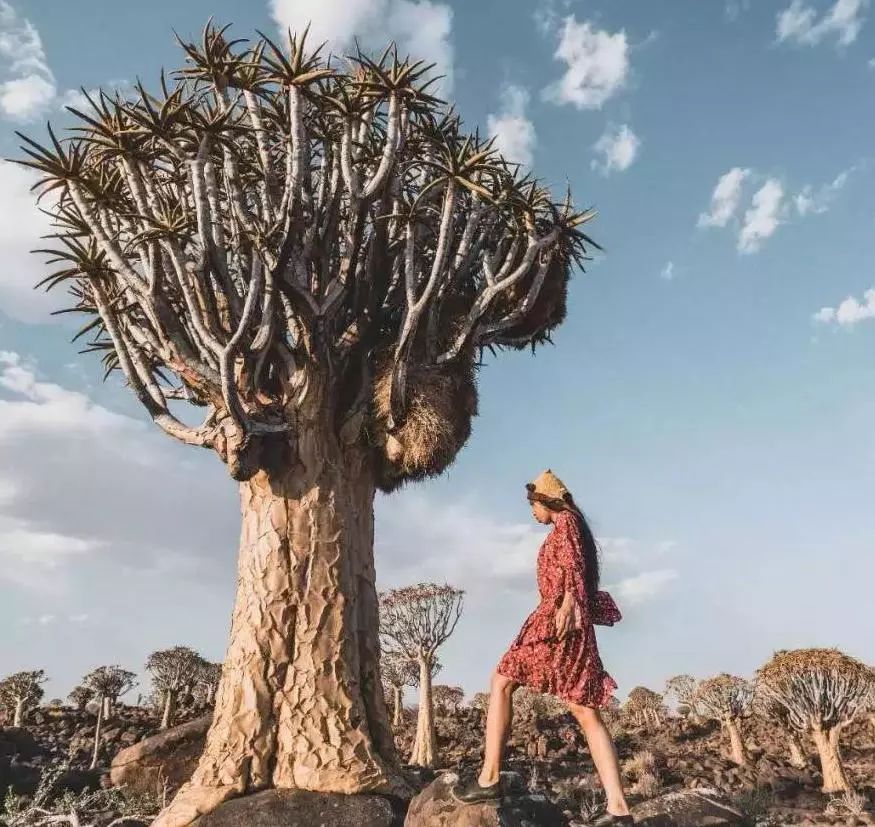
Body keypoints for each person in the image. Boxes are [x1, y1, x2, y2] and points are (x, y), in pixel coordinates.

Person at [452, 469, 634, 825]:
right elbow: (577, 568)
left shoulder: (565, 523)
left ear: (544, 501)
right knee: (584, 711)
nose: (532, 512)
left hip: (558, 622)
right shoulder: (572, 525)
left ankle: (489, 778)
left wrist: (567, 602)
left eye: (532, 505)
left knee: (501, 681)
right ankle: (619, 809)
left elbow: (574, 568)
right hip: (569, 622)